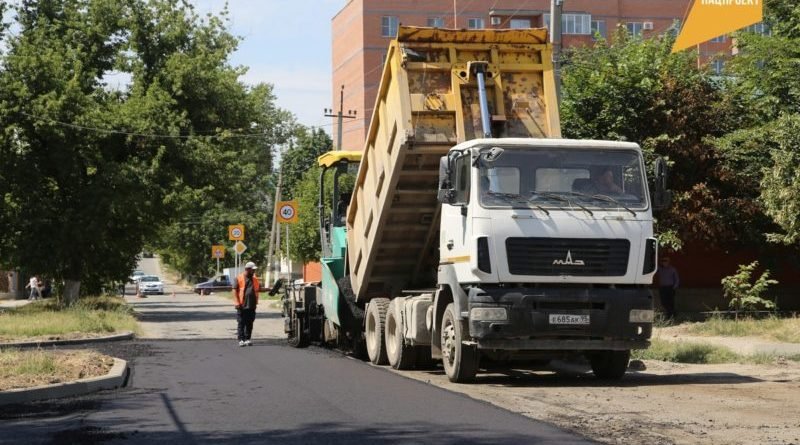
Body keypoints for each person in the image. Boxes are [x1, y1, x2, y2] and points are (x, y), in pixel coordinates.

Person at [232, 261, 260, 347]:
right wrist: (237, 302)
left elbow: (259, 289)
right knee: (241, 323)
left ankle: (248, 339)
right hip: (241, 305)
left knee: (250, 323)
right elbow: (234, 290)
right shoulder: (238, 278)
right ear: (247, 269)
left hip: (252, 305)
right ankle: (241, 339)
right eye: (252, 270)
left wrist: (271, 290)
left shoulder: (255, 279)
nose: (254, 271)